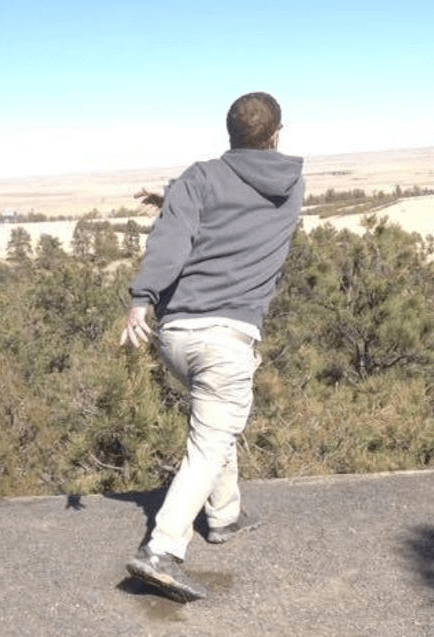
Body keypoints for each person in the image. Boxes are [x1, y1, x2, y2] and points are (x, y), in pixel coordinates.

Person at [119, 91, 305, 602]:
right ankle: (162, 552)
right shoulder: (292, 185)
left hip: (175, 338)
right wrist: (176, 198)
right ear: (277, 134)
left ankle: (224, 516)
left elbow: (175, 240)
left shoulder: (197, 179)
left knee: (213, 427)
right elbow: (241, 209)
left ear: (228, 132)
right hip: (226, 339)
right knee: (209, 441)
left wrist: (141, 299)